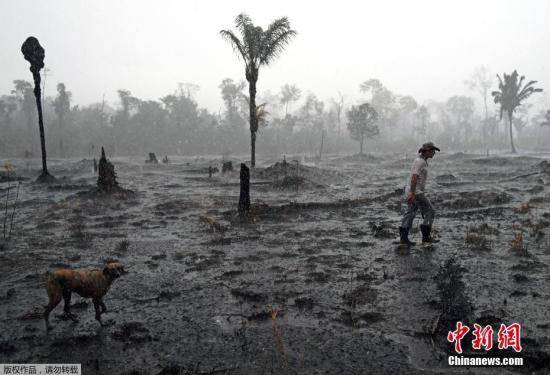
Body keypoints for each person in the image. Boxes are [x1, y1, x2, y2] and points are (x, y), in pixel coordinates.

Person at [399, 142, 440, 245]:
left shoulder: (421, 161)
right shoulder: (420, 162)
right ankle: (426, 237)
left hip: (412, 191)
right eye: (433, 151)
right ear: (427, 151)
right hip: (416, 192)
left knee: (410, 213)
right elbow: (414, 178)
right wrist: (413, 194)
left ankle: (404, 239)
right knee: (430, 211)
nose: (434, 153)